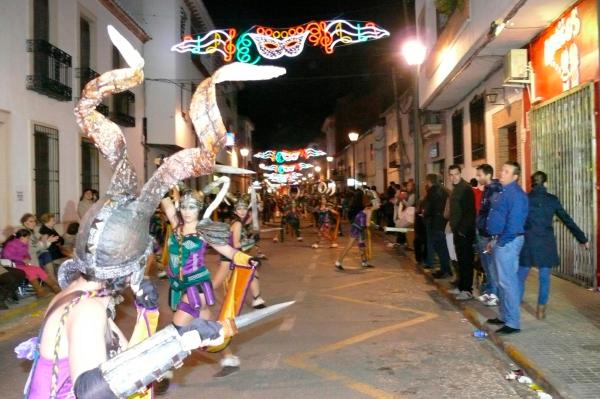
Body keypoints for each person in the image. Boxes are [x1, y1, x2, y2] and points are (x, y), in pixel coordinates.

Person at [519, 171, 589, 320]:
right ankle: (541, 310)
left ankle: (514, 305)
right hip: (546, 242)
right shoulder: (552, 200)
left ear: (532, 183)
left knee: (521, 275)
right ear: (545, 183)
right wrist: (582, 238)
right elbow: (567, 220)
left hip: (529, 241)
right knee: (544, 277)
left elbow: (518, 221)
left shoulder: (525, 199)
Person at [486, 161, 529, 335]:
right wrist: (493, 239)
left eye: (506, 171)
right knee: (501, 281)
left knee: (508, 282)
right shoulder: (504, 191)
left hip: (508, 242)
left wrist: (502, 241)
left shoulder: (517, 195)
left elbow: (514, 223)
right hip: (500, 240)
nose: (501, 173)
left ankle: (512, 322)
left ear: (515, 176)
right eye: (502, 170)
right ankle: (504, 316)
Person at [447, 165, 476, 301]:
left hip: (463, 232)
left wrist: (462, 231)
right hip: (457, 231)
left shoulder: (465, 189)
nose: (454, 177)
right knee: (460, 260)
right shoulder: (456, 189)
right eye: (451, 175)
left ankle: (467, 290)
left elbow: (470, 212)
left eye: (456, 174)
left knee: (466, 261)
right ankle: (461, 286)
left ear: (460, 173)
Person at [1, 229, 60, 297]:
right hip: (13, 266)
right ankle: (40, 291)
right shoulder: (11, 245)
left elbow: (26, 254)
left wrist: (27, 258)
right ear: (22, 238)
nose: (29, 240)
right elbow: (7, 256)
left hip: (22, 265)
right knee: (31, 272)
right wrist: (22, 259)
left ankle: (54, 287)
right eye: (28, 238)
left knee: (38, 269)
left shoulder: (24, 244)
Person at [475, 164, 502, 306]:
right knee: (486, 265)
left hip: (489, 235)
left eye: (480, 175)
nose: (477, 177)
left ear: (488, 175)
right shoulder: (487, 190)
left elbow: (494, 213)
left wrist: (493, 236)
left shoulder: (495, 190)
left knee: (491, 266)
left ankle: (494, 294)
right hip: (483, 232)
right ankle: (490, 291)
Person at [335, 190, 373, 270]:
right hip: (358, 229)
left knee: (361, 245)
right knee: (349, 245)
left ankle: (364, 262)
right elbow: (367, 224)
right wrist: (375, 225)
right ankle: (338, 261)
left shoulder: (357, 206)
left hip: (356, 227)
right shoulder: (369, 210)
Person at [424, 174, 452, 277]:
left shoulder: (432, 192)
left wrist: (425, 214)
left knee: (440, 248)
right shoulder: (445, 190)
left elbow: (429, 208)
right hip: (443, 222)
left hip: (435, 222)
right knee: (443, 248)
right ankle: (445, 269)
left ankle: (445, 271)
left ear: (429, 181)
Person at [38, 213, 65, 283]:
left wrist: (59, 241)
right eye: (53, 220)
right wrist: (59, 241)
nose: (55, 222)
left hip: (55, 251)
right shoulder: (44, 231)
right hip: (51, 253)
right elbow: (48, 245)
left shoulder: (51, 228)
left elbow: (61, 240)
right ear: (46, 222)